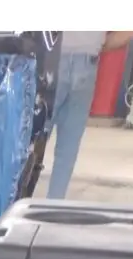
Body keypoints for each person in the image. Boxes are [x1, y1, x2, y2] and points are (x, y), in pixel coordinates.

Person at [45, 31, 107, 199]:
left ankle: (17, 203)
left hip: (50, 59)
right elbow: (128, 33)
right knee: (68, 148)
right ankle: (53, 206)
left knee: (33, 141)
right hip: (87, 62)